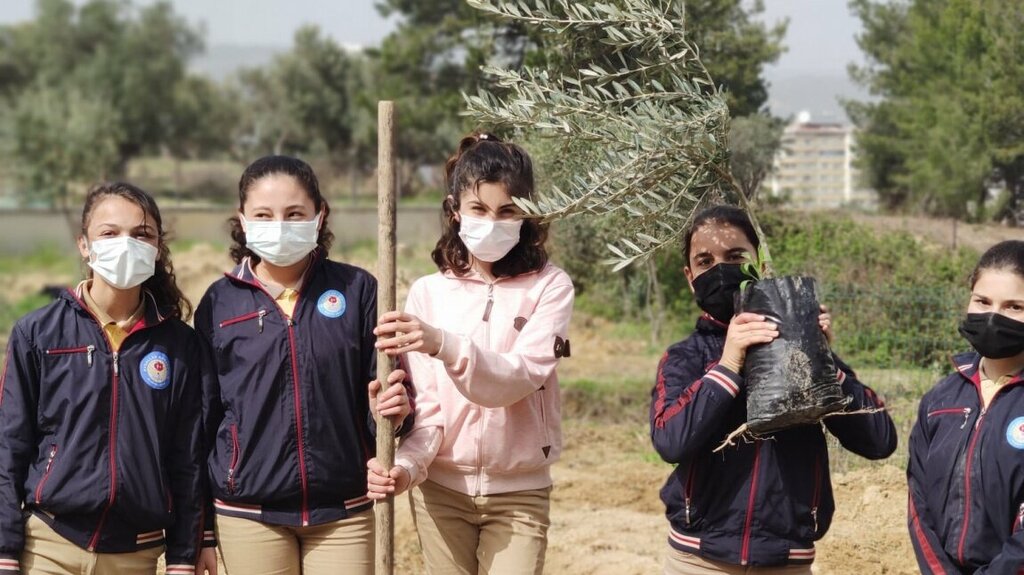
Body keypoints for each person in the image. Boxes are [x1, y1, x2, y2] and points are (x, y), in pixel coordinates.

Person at [366, 133, 575, 575]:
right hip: (441, 492)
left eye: (507, 211)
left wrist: (443, 343)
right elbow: (432, 415)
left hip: (519, 494)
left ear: (527, 215)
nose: (492, 222)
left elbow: (518, 377)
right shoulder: (428, 293)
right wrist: (405, 468)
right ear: (455, 210)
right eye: (479, 209)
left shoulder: (550, 287)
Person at [194, 155, 413, 575]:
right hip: (247, 512)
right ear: (242, 219)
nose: (279, 225)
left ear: (320, 215)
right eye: (264, 214)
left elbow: (389, 401)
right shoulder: (219, 303)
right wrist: (200, 528)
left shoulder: (359, 290)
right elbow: (202, 421)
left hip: (343, 508)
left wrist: (391, 414)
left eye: (294, 214)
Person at [650, 204, 897, 574]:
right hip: (697, 560)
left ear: (760, 263)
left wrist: (822, 359)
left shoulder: (798, 348)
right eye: (704, 261)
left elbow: (880, 441)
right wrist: (729, 365)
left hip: (786, 561)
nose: (719, 269)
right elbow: (670, 441)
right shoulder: (685, 357)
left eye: (735, 256)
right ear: (689, 276)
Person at [0, 182, 208, 575]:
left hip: (135, 554)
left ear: (158, 247)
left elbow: (188, 457)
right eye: (109, 233)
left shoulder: (182, 344)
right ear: (84, 245)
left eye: (141, 234)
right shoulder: (37, 333)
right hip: (48, 546)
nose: (125, 244)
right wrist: (5, 551)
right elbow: (9, 447)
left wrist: (183, 557)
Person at [908, 240, 1024, 574]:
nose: (992, 317)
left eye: (1014, 306)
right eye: (983, 301)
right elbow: (919, 502)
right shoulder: (940, 400)